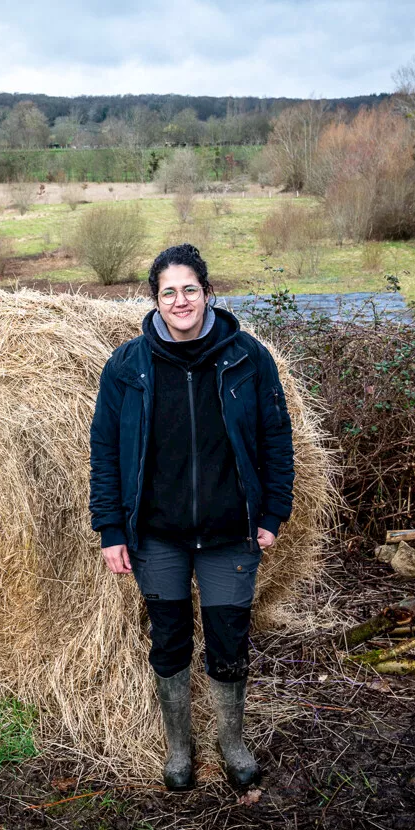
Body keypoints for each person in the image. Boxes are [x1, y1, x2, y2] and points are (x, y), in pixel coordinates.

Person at [88, 244, 294, 791]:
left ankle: (232, 742)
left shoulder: (248, 358)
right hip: (158, 535)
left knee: (229, 638)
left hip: (231, 533)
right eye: (168, 292)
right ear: (155, 300)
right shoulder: (128, 365)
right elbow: (105, 448)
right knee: (170, 638)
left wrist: (274, 511)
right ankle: (179, 746)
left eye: (190, 289)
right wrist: (111, 528)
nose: (181, 301)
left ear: (208, 292)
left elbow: (277, 438)